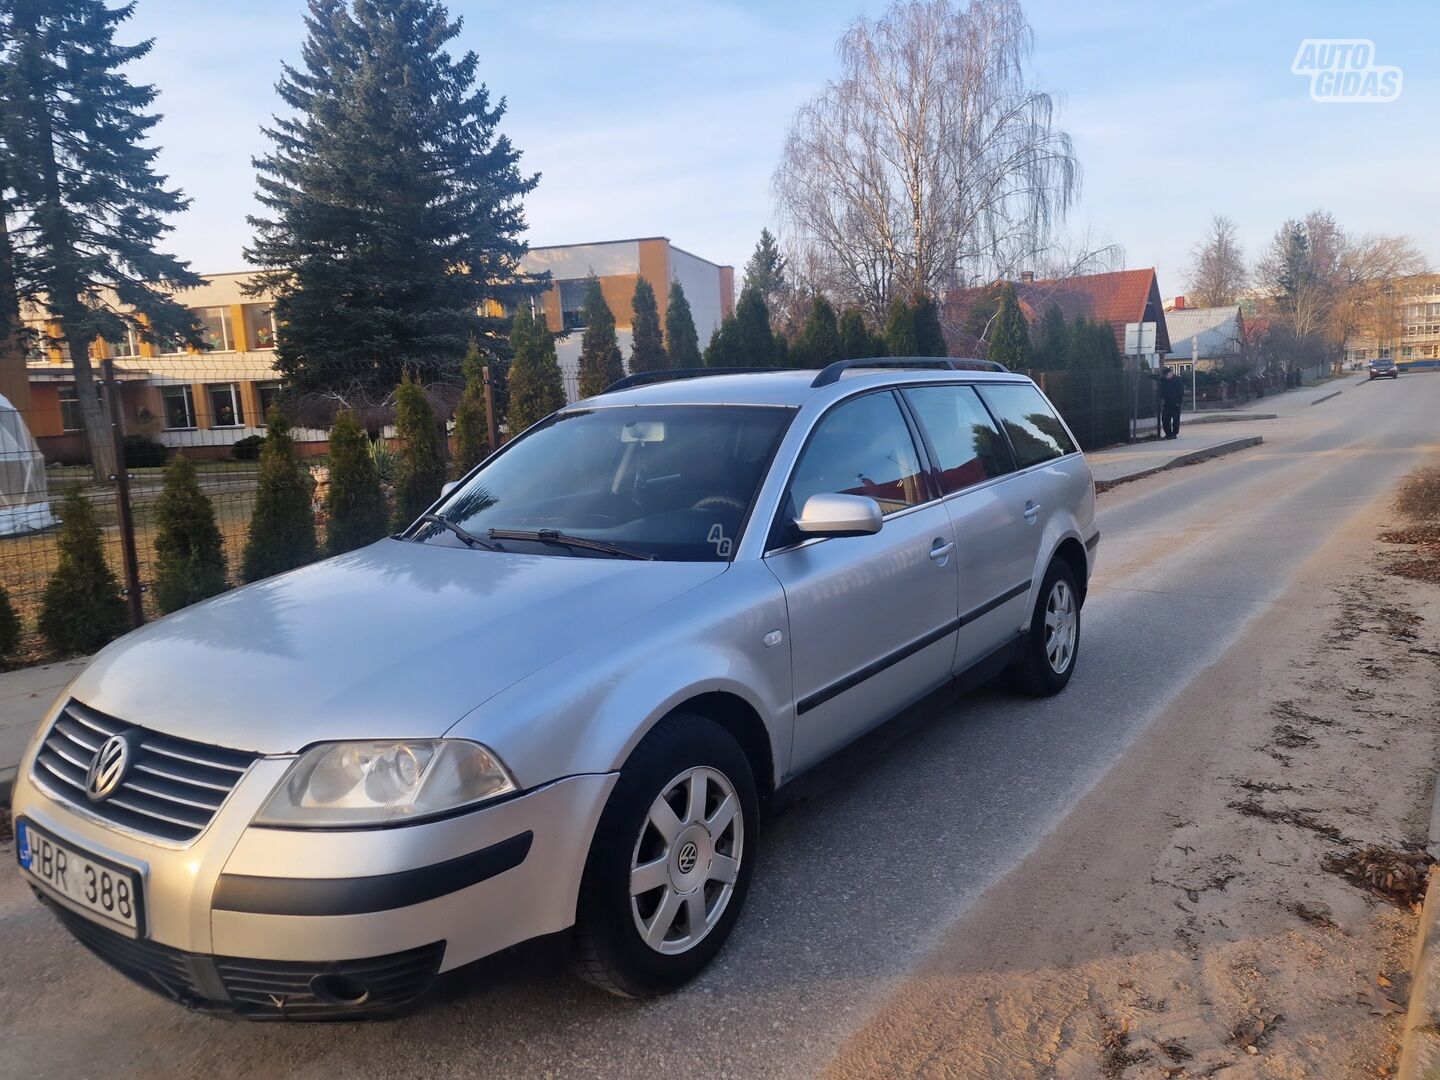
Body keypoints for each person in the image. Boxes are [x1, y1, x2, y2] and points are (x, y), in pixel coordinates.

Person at [1144, 365, 1185, 439]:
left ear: (1170, 373)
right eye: (1164, 375)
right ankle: (1168, 433)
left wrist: (1178, 403)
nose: (1165, 377)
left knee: (1175, 419)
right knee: (1165, 418)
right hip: (1167, 402)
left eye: (1166, 375)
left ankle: (1174, 434)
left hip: (1175, 403)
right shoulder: (1164, 380)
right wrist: (1148, 375)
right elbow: (1156, 378)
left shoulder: (1177, 380)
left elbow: (1181, 392)